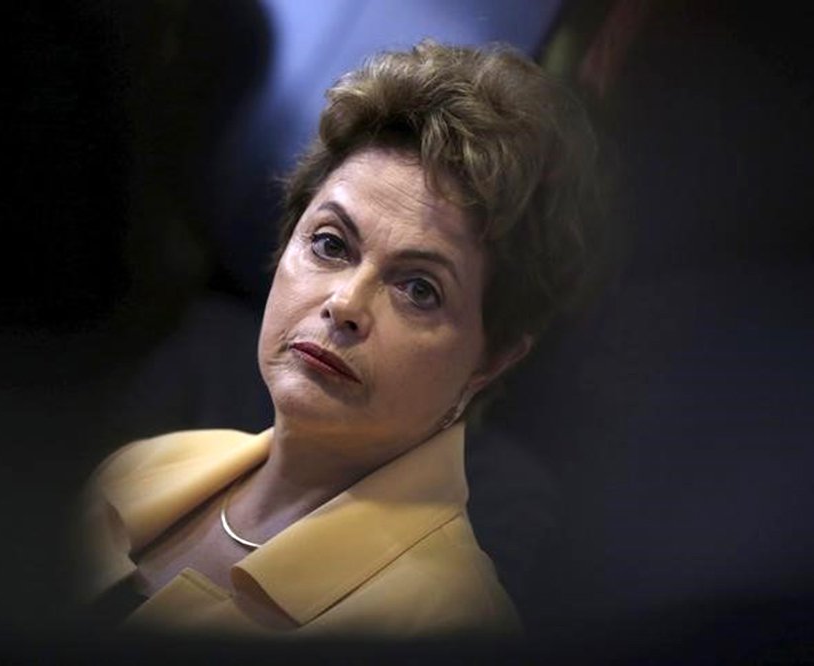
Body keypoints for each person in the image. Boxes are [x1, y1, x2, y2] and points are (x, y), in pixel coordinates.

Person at [75, 39, 598, 638]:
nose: (346, 304)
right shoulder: (141, 467)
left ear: (491, 360)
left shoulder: (448, 623)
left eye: (420, 289)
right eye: (330, 244)